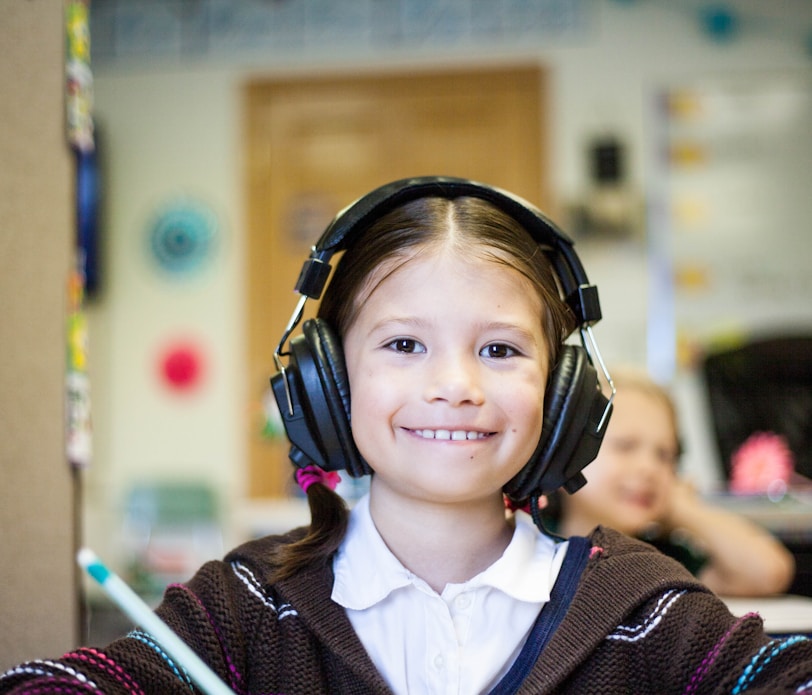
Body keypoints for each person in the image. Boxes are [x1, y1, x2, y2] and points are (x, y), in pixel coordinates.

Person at [2, 176, 811, 694]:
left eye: (499, 349)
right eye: (403, 344)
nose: (455, 384)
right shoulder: (248, 606)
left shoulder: (644, 608)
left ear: (565, 394)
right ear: (325, 381)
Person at [546, 368, 796, 597]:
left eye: (665, 455)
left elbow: (768, 573)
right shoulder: (530, 546)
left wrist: (683, 508)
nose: (650, 468)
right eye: (625, 446)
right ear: (563, 454)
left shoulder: (665, 561)